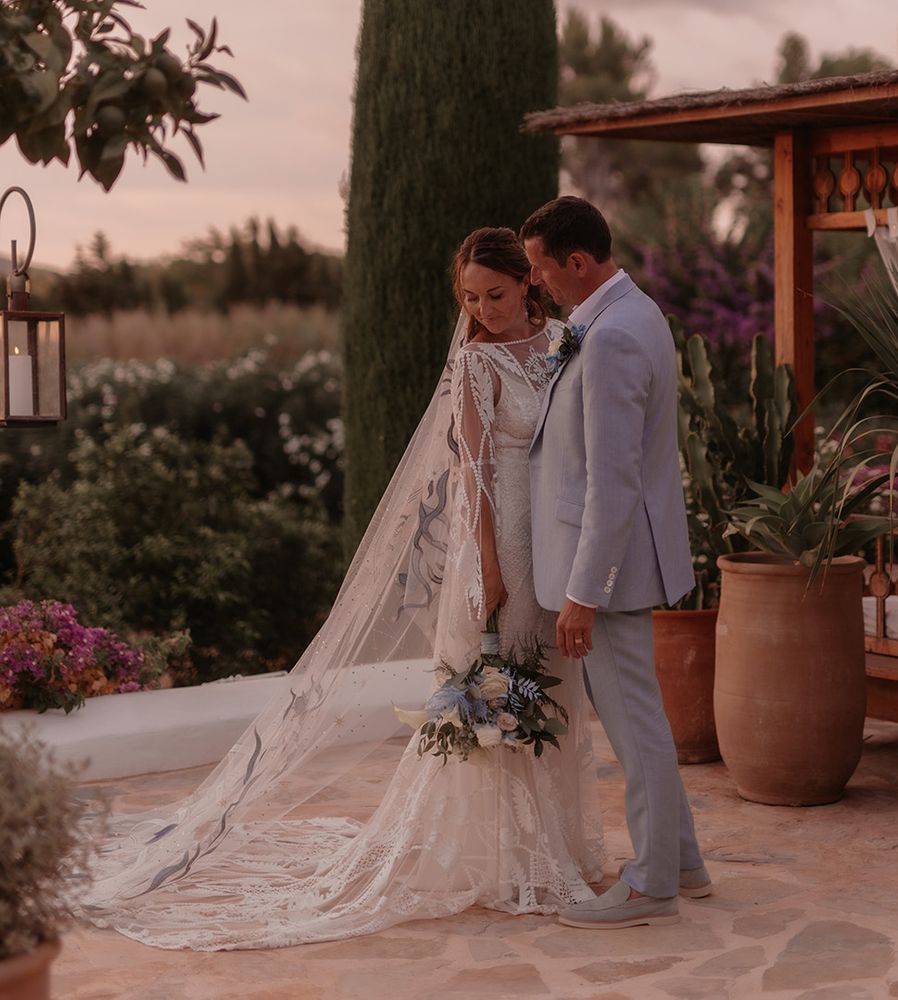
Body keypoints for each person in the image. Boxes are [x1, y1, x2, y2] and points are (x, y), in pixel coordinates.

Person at [74, 227, 604, 950]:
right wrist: (490, 572)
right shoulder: (476, 363)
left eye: (497, 295)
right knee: (500, 693)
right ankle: (518, 862)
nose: (484, 310)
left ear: (529, 284)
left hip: (556, 531)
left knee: (553, 688)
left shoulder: (561, 342)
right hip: (505, 537)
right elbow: (474, 478)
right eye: (471, 299)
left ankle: (561, 849)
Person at [522, 196, 710, 930]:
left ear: (576, 262)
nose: (536, 283)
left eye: (540, 269)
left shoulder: (611, 338)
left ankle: (651, 884)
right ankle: (683, 861)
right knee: (641, 720)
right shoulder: (625, 315)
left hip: (613, 569)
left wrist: (583, 594)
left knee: (636, 729)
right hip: (622, 563)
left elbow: (614, 478)